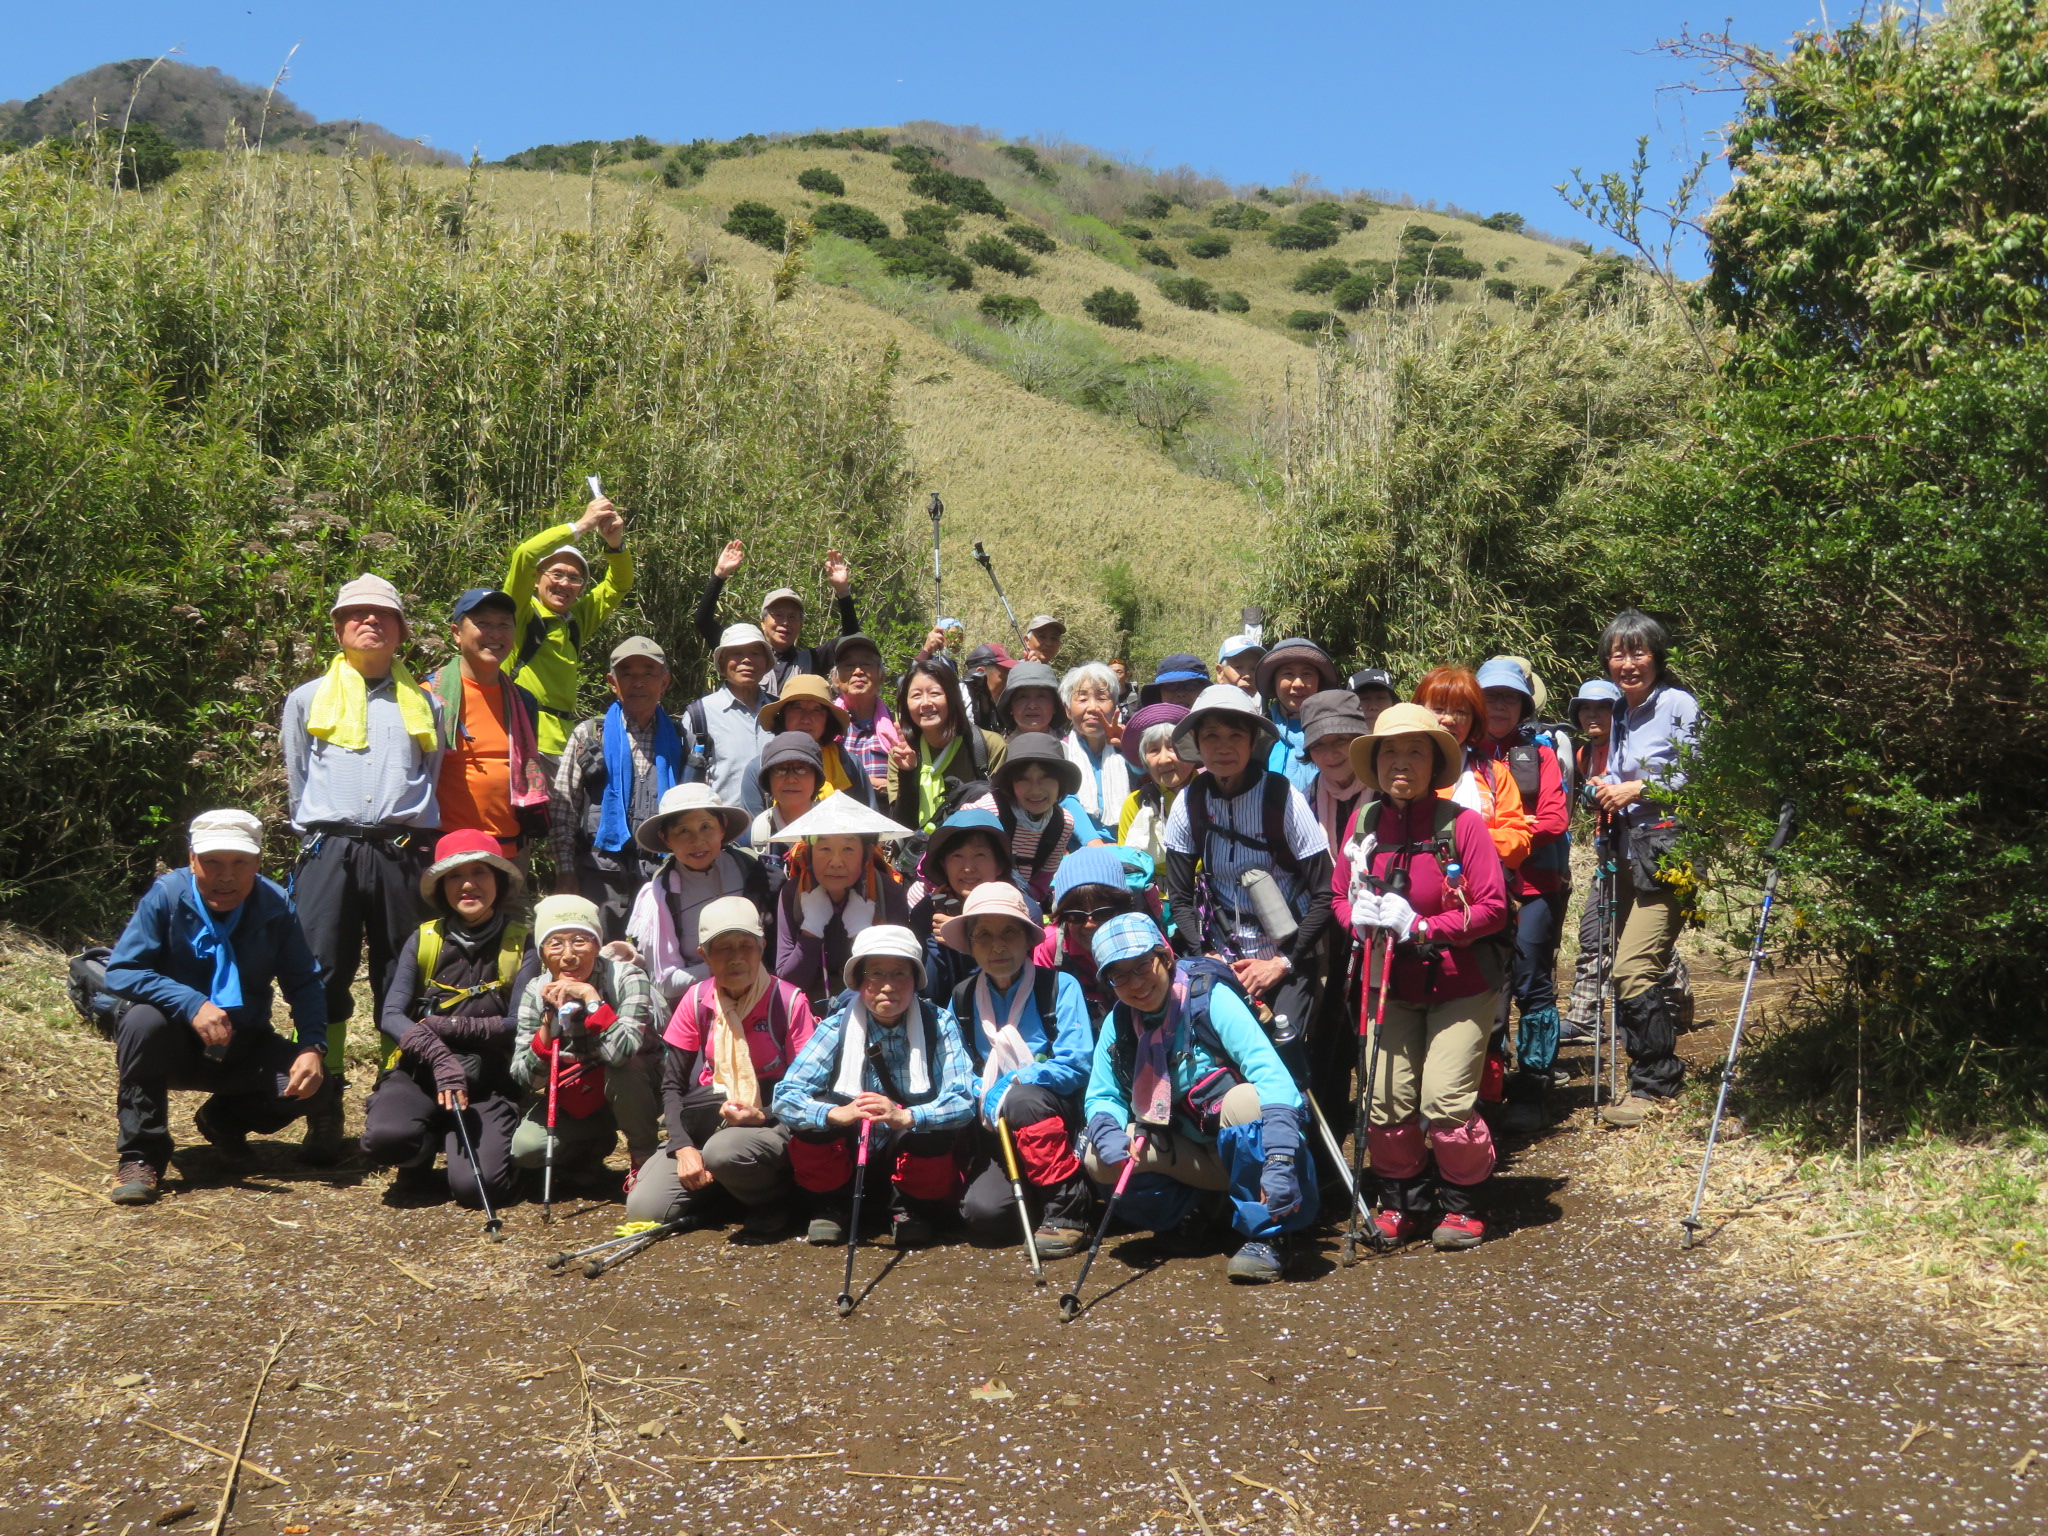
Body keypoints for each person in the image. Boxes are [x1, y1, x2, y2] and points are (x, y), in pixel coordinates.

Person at [1332, 703, 1510, 1250]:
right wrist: (1357, 919)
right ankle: (1402, 1201)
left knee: (1446, 1101)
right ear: (1374, 763)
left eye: (1415, 751)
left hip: (1460, 983)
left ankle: (1463, 1204)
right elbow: (1339, 896)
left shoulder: (1463, 825)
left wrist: (1424, 926)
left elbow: (1494, 908)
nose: (1401, 762)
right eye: (1389, 751)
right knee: (1384, 1099)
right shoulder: (1363, 823)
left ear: (1435, 763)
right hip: (1386, 983)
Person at [282, 573, 445, 1165]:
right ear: (337, 628)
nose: (370, 621)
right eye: (356, 614)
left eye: (383, 614)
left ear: (401, 630)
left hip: (400, 851)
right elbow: (299, 778)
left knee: (401, 974)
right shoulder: (306, 699)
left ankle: (393, 1094)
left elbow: (430, 777)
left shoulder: (425, 703)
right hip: (329, 849)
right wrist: (321, 836)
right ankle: (322, 1107)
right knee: (321, 973)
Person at [103, 811, 328, 1204]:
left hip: (241, 1045)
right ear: (192, 860)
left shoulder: (275, 905)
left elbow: (304, 982)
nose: (226, 876)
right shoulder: (168, 896)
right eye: (212, 862)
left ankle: (223, 1119)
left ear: (258, 863)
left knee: (314, 1088)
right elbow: (123, 970)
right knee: (141, 1021)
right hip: (172, 1044)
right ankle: (142, 1156)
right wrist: (191, 1003)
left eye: (240, 863)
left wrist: (312, 1046)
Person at [1081, 913, 1317, 1284]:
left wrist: (1280, 1158)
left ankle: (1270, 1232)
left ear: (1165, 957)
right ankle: (1192, 1214)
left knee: (1246, 1102)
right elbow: (1102, 1095)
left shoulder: (1209, 999)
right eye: (1119, 975)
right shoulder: (1120, 1021)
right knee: (1097, 1154)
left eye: (1142, 966)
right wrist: (1108, 1131)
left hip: (1252, 1148)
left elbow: (1272, 1076)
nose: (1135, 983)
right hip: (1191, 1150)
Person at [1161, 685, 1334, 1074]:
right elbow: (1180, 896)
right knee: (1228, 1063)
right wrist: (1204, 956)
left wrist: (1281, 963)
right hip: (1223, 959)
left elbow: (1326, 892)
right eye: (1211, 736)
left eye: (1235, 736)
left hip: (1290, 958)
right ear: (1197, 744)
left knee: (1282, 1060)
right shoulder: (1189, 803)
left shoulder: (1282, 797)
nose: (1224, 747)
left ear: (1253, 742)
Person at [362, 830, 537, 1209]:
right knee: (386, 1139)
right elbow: (391, 1015)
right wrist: (440, 1057)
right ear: (441, 886)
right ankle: (420, 1149)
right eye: (455, 876)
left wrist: (449, 1027)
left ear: (499, 881)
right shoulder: (424, 939)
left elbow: (519, 1023)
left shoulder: (521, 944)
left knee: (478, 1190)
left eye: (480, 873)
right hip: (420, 1073)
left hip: (488, 1082)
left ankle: (473, 1149)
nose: (468, 884)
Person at [771, 925, 976, 1247]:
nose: (888, 986)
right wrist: (834, 1114)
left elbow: (963, 1099)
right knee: (818, 1112)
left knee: (930, 1128)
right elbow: (785, 1097)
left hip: (904, 1150)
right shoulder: (836, 1027)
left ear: (916, 980)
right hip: (852, 1150)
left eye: (900, 973)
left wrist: (907, 1117)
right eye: (875, 973)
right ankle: (831, 1204)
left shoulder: (939, 1024)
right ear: (857, 981)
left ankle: (910, 1207)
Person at [625, 897, 816, 1235]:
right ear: (705, 955)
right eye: (723, 948)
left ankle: (771, 1199)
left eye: (746, 945)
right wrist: (682, 1147)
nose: (736, 957)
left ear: (762, 948)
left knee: (724, 1153)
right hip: (707, 1121)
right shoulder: (696, 1000)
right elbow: (672, 1085)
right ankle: (727, 1190)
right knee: (644, 1209)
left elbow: (810, 1090)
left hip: (774, 1120)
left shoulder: (788, 1002)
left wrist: (761, 1115)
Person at [1590, 610, 1702, 1128]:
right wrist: (1604, 787)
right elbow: (1616, 774)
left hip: (1669, 853)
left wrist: (1637, 788)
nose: (1628, 663)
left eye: (1638, 652)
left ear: (1657, 656)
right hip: (1626, 852)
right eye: (1618, 654)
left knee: (1632, 967)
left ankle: (1655, 1083)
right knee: (1629, 962)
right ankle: (1657, 1058)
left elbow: (1698, 773)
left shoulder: (1677, 704)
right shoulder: (1619, 710)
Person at [944, 882, 1096, 1256]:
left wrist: (1017, 1080)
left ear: (1027, 939)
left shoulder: (1059, 986)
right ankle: (1032, 1190)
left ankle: (1067, 1211)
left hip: (1053, 1115)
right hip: (994, 1128)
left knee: (1022, 1099)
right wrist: (980, 1089)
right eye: (984, 936)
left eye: (1009, 933)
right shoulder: (962, 997)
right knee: (983, 1215)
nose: (997, 947)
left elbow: (1077, 1064)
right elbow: (953, 1068)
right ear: (970, 944)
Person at [1559, 680, 1694, 1043]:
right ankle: (1585, 1017)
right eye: (1585, 708)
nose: (1592, 715)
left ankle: (1676, 1003)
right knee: (1597, 933)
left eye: (1602, 707)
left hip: (1650, 850)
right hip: (1611, 852)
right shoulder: (1584, 755)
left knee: (1640, 942)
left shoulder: (1637, 746)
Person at [1474, 657, 1573, 1128]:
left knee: (1532, 982)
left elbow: (1555, 818)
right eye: (1491, 697)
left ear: (1523, 707)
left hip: (1535, 887)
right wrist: (1510, 830)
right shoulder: (1460, 755)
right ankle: (1487, 1088)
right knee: (1486, 987)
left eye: (1509, 699)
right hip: (1475, 891)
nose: (1499, 706)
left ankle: (1534, 1084)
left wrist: (1490, 837)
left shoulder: (1540, 754)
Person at [509, 895, 660, 1186]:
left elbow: (622, 1053)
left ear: (597, 945)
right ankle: (592, 1147)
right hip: (582, 1092)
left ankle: (645, 1157)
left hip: (641, 1088)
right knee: (526, 1150)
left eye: (580, 941)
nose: (568, 955)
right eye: (555, 944)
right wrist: (548, 1022)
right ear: (542, 953)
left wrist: (592, 1000)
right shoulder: (535, 991)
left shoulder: (627, 978)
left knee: (622, 1069)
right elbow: (525, 1078)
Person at [549, 637, 685, 938]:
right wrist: (565, 871)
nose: (638, 682)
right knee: (595, 954)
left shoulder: (679, 739)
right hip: (598, 877)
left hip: (661, 878)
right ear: (612, 683)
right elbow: (563, 808)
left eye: (649, 673)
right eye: (627, 674)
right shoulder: (589, 734)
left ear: (664, 682)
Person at [1296, 689, 1374, 1156]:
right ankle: (1329, 1152)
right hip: (1327, 931)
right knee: (1329, 1038)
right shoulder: (1306, 797)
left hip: (1379, 928)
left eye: (1342, 741)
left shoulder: (1383, 790)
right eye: (1321, 745)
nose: (1331, 753)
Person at [425, 588, 551, 861]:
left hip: (508, 852)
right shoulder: (429, 696)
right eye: (483, 623)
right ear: (456, 633)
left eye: (504, 625)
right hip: (445, 853)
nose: (495, 634)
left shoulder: (523, 702)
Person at [502, 496, 631, 759]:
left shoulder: (576, 622)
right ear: (536, 579)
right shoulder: (519, 613)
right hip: (520, 735)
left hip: (564, 744)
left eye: (574, 578)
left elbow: (619, 584)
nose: (564, 583)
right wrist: (581, 526)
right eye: (557, 573)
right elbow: (525, 555)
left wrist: (615, 545)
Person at [623, 783, 765, 1018]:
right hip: (702, 1012)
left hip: (761, 1000)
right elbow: (664, 981)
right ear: (665, 838)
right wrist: (722, 966)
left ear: (723, 827)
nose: (698, 841)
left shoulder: (749, 869)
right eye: (683, 831)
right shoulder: (661, 894)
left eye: (706, 826)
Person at [772, 795, 914, 1011]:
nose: (836, 862)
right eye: (824, 849)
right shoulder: (793, 894)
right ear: (809, 853)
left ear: (866, 854)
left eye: (848, 849)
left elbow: (895, 982)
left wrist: (862, 934)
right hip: (810, 1014)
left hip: (872, 1012)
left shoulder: (888, 893)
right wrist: (811, 929)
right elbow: (787, 984)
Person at [906, 807, 1038, 1004]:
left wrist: (961, 937)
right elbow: (928, 992)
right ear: (943, 865)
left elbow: (1004, 979)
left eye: (980, 855)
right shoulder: (927, 912)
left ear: (999, 865)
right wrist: (936, 939)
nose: (968, 868)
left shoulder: (1023, 911)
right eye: (957, 856)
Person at [1413, 666, 1532, 875]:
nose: (1449, 719)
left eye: (1461, 712)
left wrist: (1465, 836)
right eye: (1439, 709)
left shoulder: (1493, 773)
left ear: (1474, 720)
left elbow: (1518, 843)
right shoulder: (1401, 769)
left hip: (1480, 888)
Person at [694, 541, 857, 689]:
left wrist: (842, 591)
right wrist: (719, 575)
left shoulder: (812, 660)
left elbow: (851, 636)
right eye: (778, 615)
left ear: (801, 625)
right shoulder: (739, 652)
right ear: (763, 622)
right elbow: (703, 621)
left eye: (792, 617)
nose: (785, 622)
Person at [885, 658, 1006, 835]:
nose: (926, 703)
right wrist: (907, 772)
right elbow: (902, 827)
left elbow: (1003, 815)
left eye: (935, 693)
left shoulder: (988, 745)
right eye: (916, 695)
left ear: (953, 697)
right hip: (919, 850)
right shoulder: (901, 754)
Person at [988, 733, 1107, 905]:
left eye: (1046, 778)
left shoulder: (1063, 823)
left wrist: (1024, 905)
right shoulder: (990, 813)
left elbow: (1041, 883)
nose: (1035, 790)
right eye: (1023, 779)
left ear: (1061, 781)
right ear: (1010, 783)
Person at [1034, 845, 1144, 1022]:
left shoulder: (1143, 938)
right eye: (1076, 916)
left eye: (1102, 913)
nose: (1090, 924)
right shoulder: (1051, 946)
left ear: (1121, 910)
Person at [740, 675, 875, 815]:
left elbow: (871, 821)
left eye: (816, 709)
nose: (806, 719)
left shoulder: (848, 764)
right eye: (797, 708)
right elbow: (755, 827)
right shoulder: (759, 768)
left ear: (828, 718)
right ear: (782, 715)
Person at [683, 624, 777, 809]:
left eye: (755, 653)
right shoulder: (700, 715)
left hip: (777, 824)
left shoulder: (779, 711)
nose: (747, 660)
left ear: (766, 662)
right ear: (722, 662)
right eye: (736, 653)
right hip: (725, 824)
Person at [1115, 702, 1194, 882]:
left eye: (1173, 747)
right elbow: (1128, 867)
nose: (1164, 759)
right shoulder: (1135, 803)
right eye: (1154, 750)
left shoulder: (1211, 795)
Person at [1255, 638, 1341, 796]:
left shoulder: (1337, 732)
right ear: (1274, 681)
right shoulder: (1259, 734)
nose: (1298, 683)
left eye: (1307, 674)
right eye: (1288, 674)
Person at [749, 732, 827, 889]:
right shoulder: (755, 834)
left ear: (816, 777)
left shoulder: (835, 828)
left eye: (801, 768)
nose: (791, 779)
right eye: (780, 770)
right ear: (768, 779)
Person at [1060, 663, 1131, 829]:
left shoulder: (1125, 750)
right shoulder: (1059, 753)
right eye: (1082, 699)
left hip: (1125, 840)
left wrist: (1131, 748)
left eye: (1102, 698)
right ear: (1068, 710)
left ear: (1115, 707)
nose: (1093, 708)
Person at [829, 634, 898, 796]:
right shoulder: (824, 725)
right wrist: (868, 783)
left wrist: (891, 787)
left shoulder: (898, 726)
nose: (858, 671)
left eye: (866, 664)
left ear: (881, 675)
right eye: (848, 665)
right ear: (835, 678)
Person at [995, 660, 1067, 738]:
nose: (1032, 706)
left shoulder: (1069, 745)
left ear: (1055, 706)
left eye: (1041, 696)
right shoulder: (997, 745)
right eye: (1023, 697)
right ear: (1010, 707)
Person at [962, 643, 1014, 732]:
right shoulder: (959, 705)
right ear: (981, 673)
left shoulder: (1004, 703)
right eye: (1004, 678)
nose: (1008, 684)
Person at [1138, 654, 1211, 709]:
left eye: (1191, 686)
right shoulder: (1147, 725)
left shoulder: (1217, 724)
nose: (1180, 693)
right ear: (1159, 693)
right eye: (1171, 686)